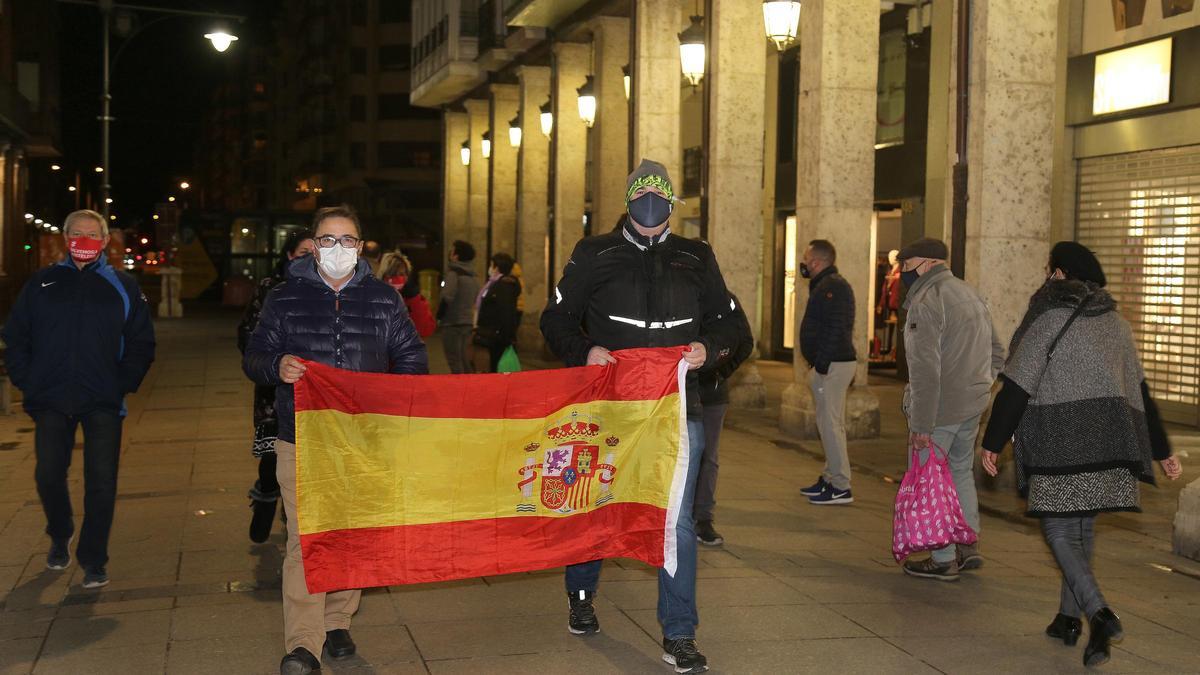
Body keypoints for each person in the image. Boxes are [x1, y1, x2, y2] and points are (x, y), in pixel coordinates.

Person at [541, 158, 742, 674]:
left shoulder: (697, 256)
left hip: (679, 408)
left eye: (659, 195)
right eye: (641, 194)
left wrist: (708, 349)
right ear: (628, 200)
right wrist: (583, 350)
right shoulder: (594, 253)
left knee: (677, 521)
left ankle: (679, 633)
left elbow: (732, 328)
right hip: (609, 406)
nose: (650, 204)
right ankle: (581, 592)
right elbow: (556, 317)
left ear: (672, 204)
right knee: (597, 501)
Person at [243, 205, 429, 675]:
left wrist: (392, 398)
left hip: (365, 440)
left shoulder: (384, 299)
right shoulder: (285, 298)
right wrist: (276, 366)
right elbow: (255, 354)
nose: (337, 249)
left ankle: (338, 619)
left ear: (362, 247)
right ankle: (303, 644)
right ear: (313, 244)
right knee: (306, 539)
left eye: (347, 240)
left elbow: (411, 356)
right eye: (328, 240)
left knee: (353, 534)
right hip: (301, 437)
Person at [980, 242, 1182, 668]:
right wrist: (1161, 449)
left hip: (1061, 438)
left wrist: (993, 441)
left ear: (1058, 275)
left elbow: (1017, 385)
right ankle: (1070, 622)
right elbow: (1139, 389)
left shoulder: (1048, 319)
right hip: (1109, 441)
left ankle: (1099, 613)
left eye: (1049, 270)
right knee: (1082, 531)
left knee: (1058, 532)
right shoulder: (1117, 324)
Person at [2, 209, 155, 589]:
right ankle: (60, 532)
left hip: (103, 398)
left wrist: (121, 383)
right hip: (51, 397)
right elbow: (16, 335)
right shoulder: (41, 284)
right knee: (48, 474)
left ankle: (93, 558)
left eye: (92, 234)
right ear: (65, 238)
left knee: (101, 482)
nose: (83, 240)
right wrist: (28, 382)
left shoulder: (123, 286)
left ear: (104, 242)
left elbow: (141, 341)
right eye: (76, 233)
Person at [897, 237, 1004, 581]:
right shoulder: (969, 293)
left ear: (927, 264)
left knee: (930, 477)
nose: (903, 274)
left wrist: (921, 425)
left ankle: (943, 558)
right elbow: (998, 352)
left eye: (907, 266)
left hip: (940, 408)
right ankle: (967, 545)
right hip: (971, 405)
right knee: (959, 471)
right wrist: (979, 385)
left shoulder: (927, 301)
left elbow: (925, 371)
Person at [237, 230, 316, 543]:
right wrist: (275, 362)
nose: (309, 259)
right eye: (302, 253)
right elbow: (248, 336)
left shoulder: (330, 291)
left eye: (315, 252)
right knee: (273, 462)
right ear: (289, 256)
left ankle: (292, 520)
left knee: (305, 467)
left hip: (315, 394)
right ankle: (266, 499)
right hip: (275, 392)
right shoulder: (272, 290)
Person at [796, 240, 859, 505]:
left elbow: (837, 328)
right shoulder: (825, 285)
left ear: (817, 262)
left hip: (834, 365)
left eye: (807, 258)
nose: (804, 263)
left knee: (832, 425)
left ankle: (841, 485)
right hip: (828, 364)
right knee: (827, 423)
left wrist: (821, 363)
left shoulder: (834, 287)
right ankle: (830, 476)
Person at [695, 292, 755, 546]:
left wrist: (719, 373)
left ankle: (702, 519)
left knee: (708, 457)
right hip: (672, 392)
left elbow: (745, 341)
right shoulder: (672, 292)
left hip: (711, 394)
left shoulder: (725, 299)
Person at [472, 252, 522, 373]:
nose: (489, 268)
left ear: (497, 267)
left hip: (497, 337)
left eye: (491, 265)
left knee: (495, 368)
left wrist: (507, 337)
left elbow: (506, 312)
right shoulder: (495, 284)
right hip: (492, 334)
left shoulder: (504, 285)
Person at [440, 240, 480, 373]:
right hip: (467, 323)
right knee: (464, 359)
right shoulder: (472, 277)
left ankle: (460, 389)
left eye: (452, 251)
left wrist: (439, 317)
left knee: (454, 360)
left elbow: (447, 297)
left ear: (456, 256)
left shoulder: (453, 274)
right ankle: (470, 388)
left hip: (452, 323)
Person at [378, 249, 436, 338]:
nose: (398, 278)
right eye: (393, 274)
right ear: (384, 276)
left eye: (402, 274)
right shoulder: (374, 297)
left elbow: (425, 330)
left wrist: (414, 300)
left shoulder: (413, 299)